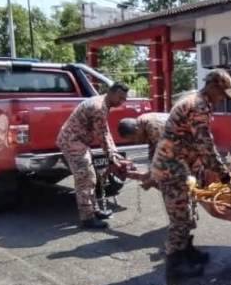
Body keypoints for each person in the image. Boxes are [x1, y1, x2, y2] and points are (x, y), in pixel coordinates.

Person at [150, 69, 231, 282]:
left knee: (186, 212)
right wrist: (226, 177)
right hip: (171, 167)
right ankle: (174, 267)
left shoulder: (196, 100)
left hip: (179, 165)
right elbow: (205, 145)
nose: (223, 99)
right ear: (213, 87)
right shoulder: (199, 106)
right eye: (222, 94)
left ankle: (186, 252)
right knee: (180, 218)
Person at [56, 81, 130, 229]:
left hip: (80, 142)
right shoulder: (98, 107)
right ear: (112, 92)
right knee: (85, 178)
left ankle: (94, 210)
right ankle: (87, 218)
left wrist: (113, 152)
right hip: (72, 141)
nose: (122, 102)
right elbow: (101, 135)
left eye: (124, 99)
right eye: (120, 98)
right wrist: (112, 157)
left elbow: (105, 130)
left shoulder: (103, 103)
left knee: (91, 177)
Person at [117, 112, 170, 188]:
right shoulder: (142, 124)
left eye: (133, 138)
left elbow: (163, 156)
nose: (135, 142)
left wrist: (150, 179)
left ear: (136, 130)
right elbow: (154, 152)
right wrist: (144, 175)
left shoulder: (152, 126)